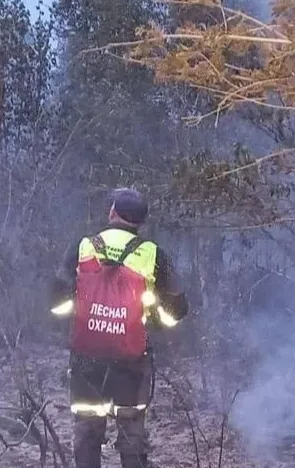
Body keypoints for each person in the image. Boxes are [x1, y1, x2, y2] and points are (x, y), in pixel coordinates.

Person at [49, 188, 190, 468]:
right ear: (141, 221)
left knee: (88, 432)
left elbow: (56, 304)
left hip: (86, 358)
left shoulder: (83, 247)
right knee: (132, 433)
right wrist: (152, 318)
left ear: (112, 212)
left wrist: (84, 312)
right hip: (131, 360)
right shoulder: (154, 254)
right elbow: (176, 313)